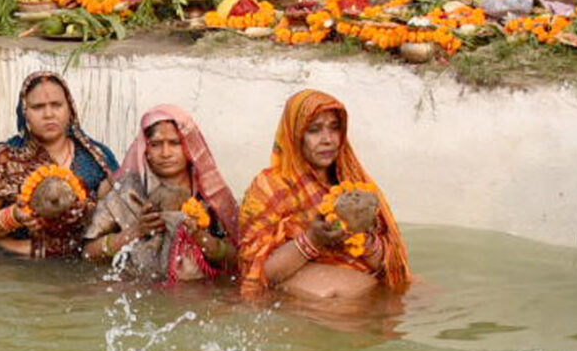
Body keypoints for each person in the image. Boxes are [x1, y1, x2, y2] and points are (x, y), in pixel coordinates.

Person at [238, 88, 411, 303]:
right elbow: (255, 272)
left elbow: (390, 264)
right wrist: (312, 240)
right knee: (338, 299)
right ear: (295, 135)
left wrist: (358, 236)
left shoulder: (354, 182)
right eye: (314, 130)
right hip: (304, 290)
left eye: (335, 128)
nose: (327, 139)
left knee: (422, 295)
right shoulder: (269, 186)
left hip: (362, 278)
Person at [0, 71, 119, 258]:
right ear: (24, 113)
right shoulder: (3, 159)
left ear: (70, 109)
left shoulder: (96, 157)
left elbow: (116, 213)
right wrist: (14, 216)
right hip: (16, 265)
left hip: (80, 265)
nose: (48, 114)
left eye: (56, 105)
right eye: (38, 107)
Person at [82, 105, 240, 281]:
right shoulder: (127, 192)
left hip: (198, 293)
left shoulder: (210, 194)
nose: (166, 153)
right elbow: (88, 252)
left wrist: (201, 238)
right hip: (138, 288)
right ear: (145, 150)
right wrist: (136, 231)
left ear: (189, 146)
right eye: (156, 145)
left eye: (175, 143)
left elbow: (239, 257)